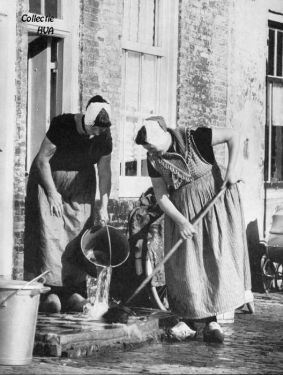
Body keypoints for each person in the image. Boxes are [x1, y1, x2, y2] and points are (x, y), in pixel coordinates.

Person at [135, 115, 253, 343]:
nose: (153, 154)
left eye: (154, 148)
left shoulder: (196, 137)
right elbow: (161, 195)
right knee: (185, 264)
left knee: (213, 260)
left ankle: (212, 320)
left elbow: (233, 135)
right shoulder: (153, 159)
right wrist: (180, 221)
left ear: (165, 136)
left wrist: (233, 168)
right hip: (182, 211)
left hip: (214, 204)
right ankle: (187, 320)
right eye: (148, 150)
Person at [24, 95, 112, 313]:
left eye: (101, 130)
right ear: (85, 120)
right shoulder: (62, 124)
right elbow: (42, 160)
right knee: (50, 235)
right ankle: (50, 293)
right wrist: (51, 192)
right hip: (50, 180)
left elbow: (104, 171)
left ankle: (73, 292)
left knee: (77, 234)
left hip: (81, 184)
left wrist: (104, 204)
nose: (97, 134)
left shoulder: (104, 134)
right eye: (95, 129)